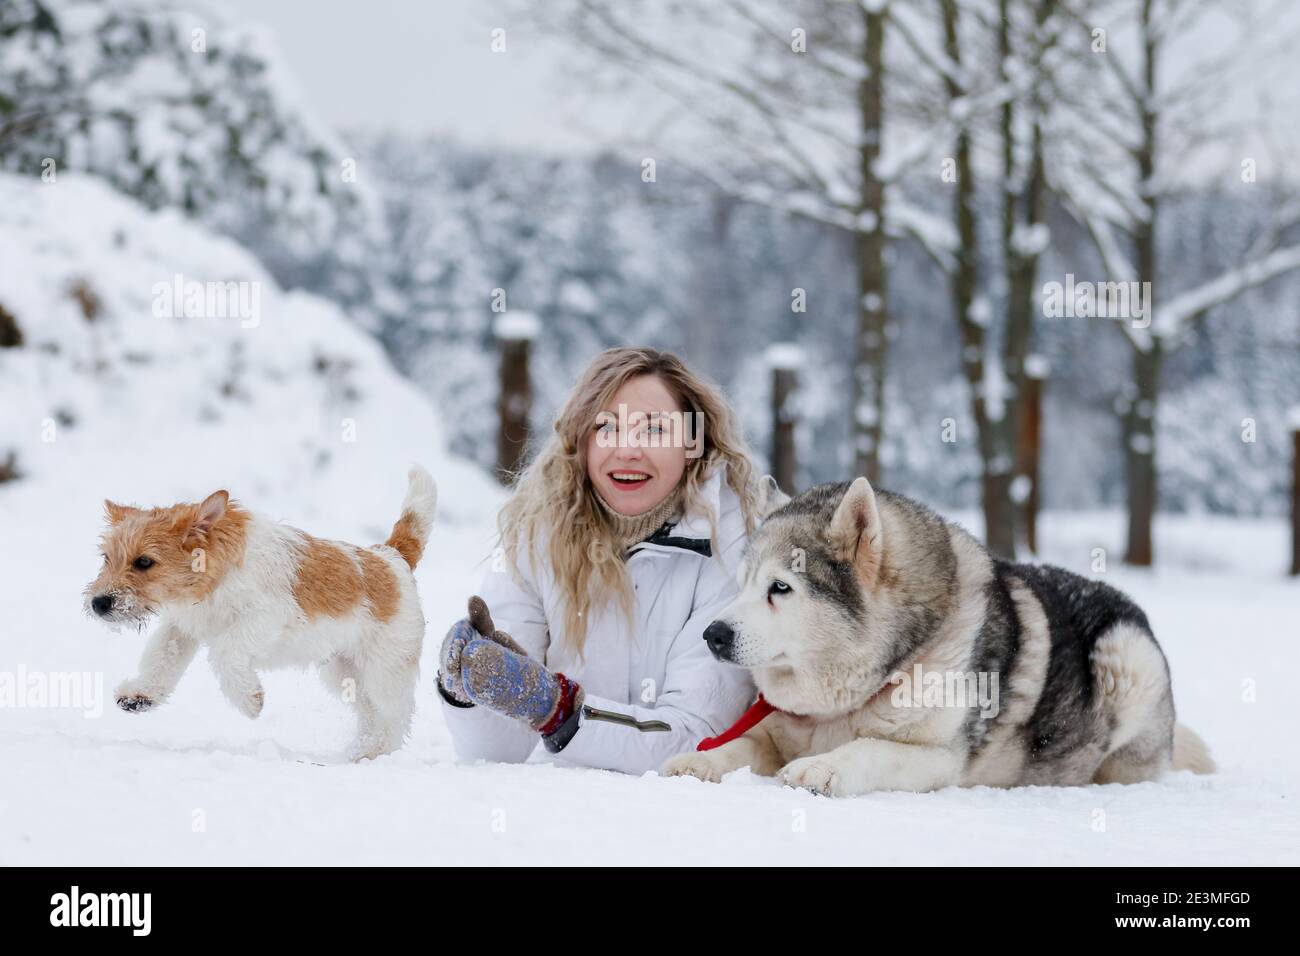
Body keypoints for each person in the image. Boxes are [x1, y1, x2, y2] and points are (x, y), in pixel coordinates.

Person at [436, 346, 775, 774]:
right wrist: (468, 694)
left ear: (694, 443)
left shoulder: (736, 546)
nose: (628, 450)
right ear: (582, 440)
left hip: (690, 823)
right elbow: (497, 753)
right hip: (570, 818)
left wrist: (560, 711)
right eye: (607, 428)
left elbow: (698, 737)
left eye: (653, 429)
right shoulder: (538, 531)